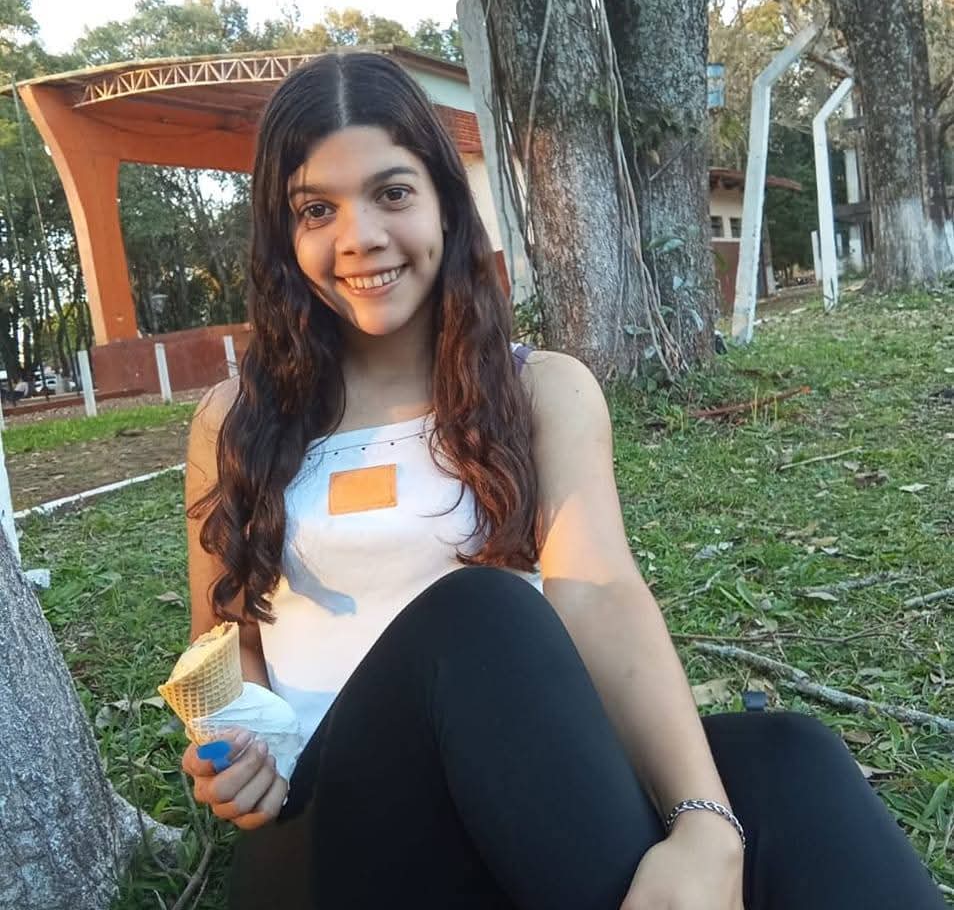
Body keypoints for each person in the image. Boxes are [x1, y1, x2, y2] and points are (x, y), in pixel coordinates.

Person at [181, 52, 946, 910]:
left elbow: (598, 592)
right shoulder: (235, 418)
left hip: (510, 785)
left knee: (787, 758)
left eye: (392, 193)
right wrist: (239, 741)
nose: (359, 236)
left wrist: (706, 823)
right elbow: (224, 645)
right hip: (330, 837)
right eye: (317, 209)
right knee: (482, 613)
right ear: (282, 236)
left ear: (444, 204)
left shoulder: (540, 390)